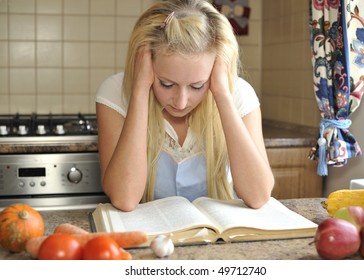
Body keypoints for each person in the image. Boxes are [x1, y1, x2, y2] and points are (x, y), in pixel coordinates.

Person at [95, 0, 274, 212]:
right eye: (167, 84)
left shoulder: (239, 94)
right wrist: (140, 90)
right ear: (146, 62)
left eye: (197, 86)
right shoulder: (116, 93)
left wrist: (223, 95)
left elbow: (259, 196)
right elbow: (124, 199)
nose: (180, 102)